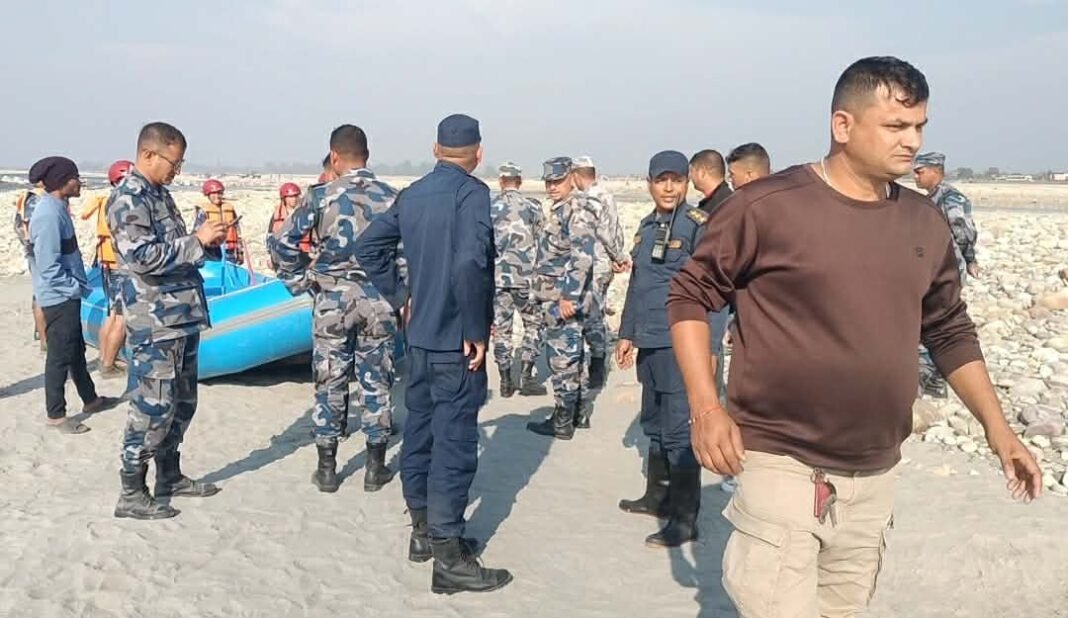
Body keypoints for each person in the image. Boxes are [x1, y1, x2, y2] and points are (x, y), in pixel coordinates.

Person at [666, 56, 1041, 617]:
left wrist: (999, 430)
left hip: (874, 473)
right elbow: (690, 296)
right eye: (895, 126)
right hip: (782, 461)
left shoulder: (924, 222)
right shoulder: (767, 208)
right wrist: (705, 407)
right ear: (843, 125)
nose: (912, 141)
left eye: (919, 126)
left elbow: (948, 329)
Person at [355, 114, 511, 594]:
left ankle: (422, 531)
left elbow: (368, 247)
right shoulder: (472, 194)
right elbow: (470, 262)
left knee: (420, 433)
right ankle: (448, 557)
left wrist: (402, 297)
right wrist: (474, 327)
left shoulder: (414, 193)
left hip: (420, 339)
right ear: (478, 153)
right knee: (453, 444)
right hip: (455, 342)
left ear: (435, 149)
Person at [268, 125, 399, 494]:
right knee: (377, 381)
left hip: (332, 300)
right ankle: (375, 468)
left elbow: (282, 243)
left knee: (330, 380)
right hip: (378, 301)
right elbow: (407, 253)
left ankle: (327, 469)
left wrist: (301, 281)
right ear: (367, 156)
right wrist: (399, 293)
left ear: (335, 156)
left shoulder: (320, 196)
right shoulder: (392, 197)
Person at [109, 121, 228, 520]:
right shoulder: (129, 198)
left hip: (182, 316)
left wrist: (205, 242)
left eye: (180, 164)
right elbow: (142, 257)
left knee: (182, 403)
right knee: (152, 407)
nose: (176, 171)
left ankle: (169, 475)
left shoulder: (159, 194)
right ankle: (131, 490)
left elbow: (174, 249)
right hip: (155, 320)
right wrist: (196, 241)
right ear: (148, 154)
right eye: (173, 163)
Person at [615, 151, 709, 548]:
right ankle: (657, 497)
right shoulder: (646, 227)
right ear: (649, 183)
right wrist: (627, 333)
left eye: (676, 180)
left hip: (679, 342)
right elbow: (638, 285)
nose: (669, 188)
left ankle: (685, 520)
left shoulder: (696, 226)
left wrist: (709, 346)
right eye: (661, 180)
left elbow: (713, 289)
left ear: (686, 183)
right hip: (650, 341)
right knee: (653, 423)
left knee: (677, 430)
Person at [27, 156, 119, 434]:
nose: (79, 182)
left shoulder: (58, 208)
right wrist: (73, 288)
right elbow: (47, 265)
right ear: (62, 181)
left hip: (66, 294)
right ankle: (56, 415)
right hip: (58, 297)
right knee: (59, 355)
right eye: (75, 177)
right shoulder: (48, 214)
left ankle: (90, 399)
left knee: (76, 349)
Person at [525, 157, 599, 437]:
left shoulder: (576, 210)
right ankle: (577, 414)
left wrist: (568, 296)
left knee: (562, 358)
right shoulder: (562, 209)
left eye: (557, 181)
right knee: (572, 355)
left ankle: (563, 421)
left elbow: (582, 258)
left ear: (571, 178)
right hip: (557, 295)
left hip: (562, 298)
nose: (552, 186)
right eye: (548, 182)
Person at [717, 142, 773, 495]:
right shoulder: (791, 205)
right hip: (771, 324)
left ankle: (743, 470)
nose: (731, 181)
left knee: (749, 399)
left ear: (750, 174)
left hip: (761, 327)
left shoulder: (750, 210)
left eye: (734, 175)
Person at [913, 151, 981, 398]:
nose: (916, 176)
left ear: (935, 171)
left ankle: (935, 379)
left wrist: (969, 258)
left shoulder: (950, 198)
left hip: (948, 267)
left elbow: (963, 231)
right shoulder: (930, 198)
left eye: (920, 172)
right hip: (932, 266)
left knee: (939, 320)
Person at [489, 161, 547, 398]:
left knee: (501, 329)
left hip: (498, 278)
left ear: (501, 181)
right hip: (526, 278)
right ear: (520, 181)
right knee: (533, 324)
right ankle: (526, 373)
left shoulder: (490, 207)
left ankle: (505, 381)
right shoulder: (532, 206)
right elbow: (543, 240)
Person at [570, 156, 626, 389]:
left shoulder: (587, 198)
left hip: (591, 265)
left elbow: (605, 232)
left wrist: (617, 257)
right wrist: (618, 256)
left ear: (576, 175)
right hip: (600, 264)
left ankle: (595, 365)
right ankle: (595, 362)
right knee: (595, 312)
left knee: (590, 315)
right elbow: (615, 231)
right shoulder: (606, 196)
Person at [80, 159, 134, 377]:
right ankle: (108, 365)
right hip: (121, 267)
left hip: (107, 266)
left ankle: (104, 358)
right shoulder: (124, 202)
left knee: (111, 314)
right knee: (121, 317)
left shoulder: (107, 200)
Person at [14, 183, 48, 347]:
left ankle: (41, 334)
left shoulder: (30, 197)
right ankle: (44, 340)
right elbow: (34, 227)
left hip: (34, 251)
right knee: (42, 294)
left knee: (40, 292)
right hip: (39, 253)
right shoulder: (37, 198)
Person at [194, 179, 245, 265]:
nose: (217, 196)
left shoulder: (229, 208)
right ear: (208, 195)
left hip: (230, 251)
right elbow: (198, 233)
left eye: (219, 193)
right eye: (214, 193)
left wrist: (240, 251)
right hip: (212, 251)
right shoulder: (203, 211)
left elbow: (237, 231)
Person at [266, 182, 310, 271]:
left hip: (303, 256)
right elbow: (270, 235)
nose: (294, 199)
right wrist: (270, 256)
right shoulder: (277, 215)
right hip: (282, 255)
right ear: (284, 198)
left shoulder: (306, 213)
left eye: (296, 196)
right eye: (290, 197)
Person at [689, 149, 731, 214]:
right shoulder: (730, 198)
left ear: (702, 173)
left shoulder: (718, 206)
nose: (690, 176)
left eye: (691, 171)